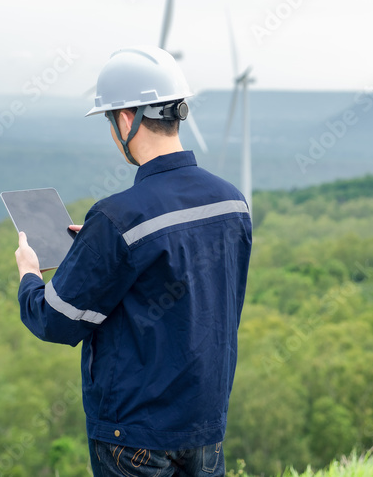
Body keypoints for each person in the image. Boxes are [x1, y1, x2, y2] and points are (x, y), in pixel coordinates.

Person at [14, 46, 252, 477]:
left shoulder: (118, 217)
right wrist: (96, 251)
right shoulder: (233, 202)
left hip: (134, 437)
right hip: (206, 424)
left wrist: (29, 274)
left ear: (127, 119)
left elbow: (56, 321)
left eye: (109, 120)